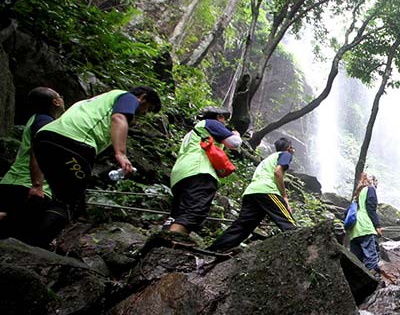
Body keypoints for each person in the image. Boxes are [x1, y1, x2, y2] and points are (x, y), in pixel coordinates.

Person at [31, 86, 161, 247]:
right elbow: (119, 118)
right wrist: (120, 153)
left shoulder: (92, 102)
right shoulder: (128, 97)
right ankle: (35, 248)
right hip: (74, 143)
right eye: (148, 108)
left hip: (45, 138)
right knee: (69, 204)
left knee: (50, 196)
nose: (144, 113)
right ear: (143, 97)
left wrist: (36, 184)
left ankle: (19, 236)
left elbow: (35, 153)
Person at [207, 137, 296, 253]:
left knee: (242, 226)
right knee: (288, 223)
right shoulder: (285, 154)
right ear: (289, 148)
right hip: (267, 190)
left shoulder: (268, 159)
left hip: (251, 192)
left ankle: (214, 250)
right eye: (292, 148)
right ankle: (301, 248)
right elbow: (278, 172)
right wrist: (284, 196)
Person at [0, 87, 65, 241]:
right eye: (59, 96)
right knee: (20, 234)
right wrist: (37, 185)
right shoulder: (45, 121)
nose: (62, 99)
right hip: (27, 185)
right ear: (55, 102)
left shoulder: (35, 118)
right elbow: (40, 148)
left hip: (14, 182)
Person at [164, 108, 242, 236]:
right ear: (219, 117)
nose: (225, 123)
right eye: (224, 119)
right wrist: (237, 136)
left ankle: (163, 241)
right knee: (194, 212)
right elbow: (234, 143)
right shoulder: (211, 123)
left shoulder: (192, 133)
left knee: (179, 213)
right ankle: (172, 242)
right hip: (199, 171)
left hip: (181, 174)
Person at [346, 172, 382, 277]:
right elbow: (371, 209)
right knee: (371, 258)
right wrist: (377, 226)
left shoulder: (357, 194)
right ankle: (374, 282)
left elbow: (347, 212)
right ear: (373, 181)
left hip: (354, 231)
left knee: (355, 261)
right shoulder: (370, 189)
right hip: (366, 227)